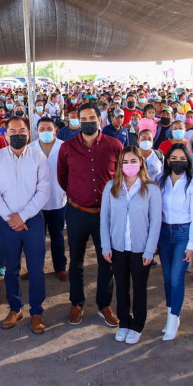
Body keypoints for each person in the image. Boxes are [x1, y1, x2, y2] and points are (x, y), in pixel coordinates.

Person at [57, 103, 122, 327]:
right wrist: (79, 194)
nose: (87, 122)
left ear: (99, 119)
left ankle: (104, 305)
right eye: (82, 118)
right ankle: (76, 303)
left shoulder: (115, 145)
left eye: (91, 117)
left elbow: (121, 177)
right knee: (76, 261)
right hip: (77, 212)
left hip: (106, 215)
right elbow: (62, 178)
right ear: (76, 121)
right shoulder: (67, 148)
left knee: (107, 260)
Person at [0, 117, 50, 333]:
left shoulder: (38, 157)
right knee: (11, 269)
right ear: (6, 135)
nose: (18, 134)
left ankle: (37, 311)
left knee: (36, 269)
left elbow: (43, 191)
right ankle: (15, 308)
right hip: (7, 222)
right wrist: (10, 217)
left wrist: (22, 216)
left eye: (22, 130)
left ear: (28, 133)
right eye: (12, 131)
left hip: (33, 221)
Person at [100, 146, 161, 345]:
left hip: (140, 248)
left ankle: (138, 324)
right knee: (122, 286)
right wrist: (106, 246)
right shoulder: (111, 187)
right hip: (118, 247)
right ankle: (124, 322)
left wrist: (150, 249)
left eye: (133, 161)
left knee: (140, 287)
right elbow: (105, 219)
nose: (129, 165)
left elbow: (155, 222)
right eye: (125, 162)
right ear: (119, 164)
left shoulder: (151, 188)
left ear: (141, 163)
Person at [156, 143, 193, 340]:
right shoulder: (160, 180)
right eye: (174, 158)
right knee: (167, 278)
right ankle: (171, 316)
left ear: (188, 160)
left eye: (182, 158)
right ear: (168, 160)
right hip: (164, 233)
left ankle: (174, 319)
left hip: (183, 234)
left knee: (177, 278)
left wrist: (192, 246)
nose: (178, 162)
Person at [32, 117, 68, 280]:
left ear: (55, 130)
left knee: (57, 236)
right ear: (37, 131)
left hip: (58, 200)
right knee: (36, 239)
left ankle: (60, 267)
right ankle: (34, 268)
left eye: (49, 128)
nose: (45, 132)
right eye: (42, 129)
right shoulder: (30, 148)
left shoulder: (64, 147)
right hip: (35, 203)